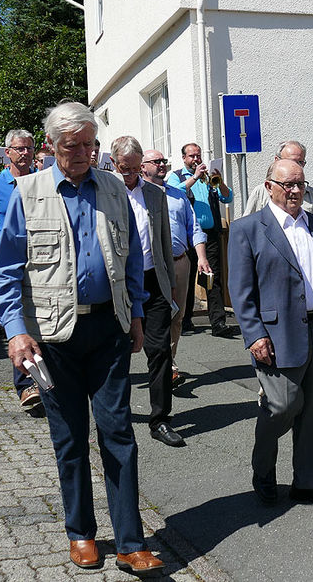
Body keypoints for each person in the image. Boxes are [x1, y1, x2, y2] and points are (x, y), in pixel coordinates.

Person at [0, 102, 162, 573]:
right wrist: (16, 332)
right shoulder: (27, 193)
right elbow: (3, 275)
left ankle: (129, 541)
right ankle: (81, 533)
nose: (84, 153)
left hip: (108, 329)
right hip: (51, 337)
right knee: (70, 439)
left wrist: (137, 314)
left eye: (90, 144)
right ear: (50, 148)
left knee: (119, 433)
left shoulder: (113, 189)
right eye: (73, 146)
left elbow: (129, 260)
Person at [228, 159, 313, 508]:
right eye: (287, 184)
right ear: (269, 186)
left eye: (300, 184)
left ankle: (309, 482)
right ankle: (263, 470)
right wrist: (254, 334)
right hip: (274, 334)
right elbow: (240, 291)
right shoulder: (248, 229)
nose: (295, 191)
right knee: (282, 405)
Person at [112, 137, 185, 448]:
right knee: (115, 352)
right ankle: (114, 415)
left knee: (160, 351)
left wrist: (169, 283)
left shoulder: (155, 194)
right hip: (116, 282)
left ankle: (160, 419)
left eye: (134, 169)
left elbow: (164, 240)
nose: (129, 175)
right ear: (114, 165)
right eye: (123, 169)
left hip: (152, 280)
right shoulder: (105, 191)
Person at [0, 129, 39, 410]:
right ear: (8, 152)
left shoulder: (44, 181)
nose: (25, 153)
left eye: (29, 148)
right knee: (17, 322)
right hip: (9, 264)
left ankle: (44, 378)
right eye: (19, 149)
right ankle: (27, 385)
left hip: (40, 263)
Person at [141, 149, 211, 383]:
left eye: (164, 161)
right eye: (156, 161)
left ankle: (169, 363)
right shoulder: (137, 195)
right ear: (143, 167)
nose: (162, 164)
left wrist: (201, 257)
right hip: (150, 267)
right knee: (150, 318)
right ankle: (159, 363)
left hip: (180, 262)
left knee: (176, 317)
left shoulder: (178, 196)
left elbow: (194, 228)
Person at [169, 142, 237, 338]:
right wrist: (194, 178)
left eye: (198, 155)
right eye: (192, 156)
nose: (196, 159)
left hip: (211, 235)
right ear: (184, 158)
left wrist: (220, 181)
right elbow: (174, 193)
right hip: (188, 237)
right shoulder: (177, 176)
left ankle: (218, 323)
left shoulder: (208, 179)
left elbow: (227, 198)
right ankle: (185, 320)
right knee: (187, 280)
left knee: (212, 278)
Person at [242, 141, 313, 234]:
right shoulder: (261, 192)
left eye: (300, 162)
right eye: (291, 161)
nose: (296, 166)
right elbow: (246, 229)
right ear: (276, 160)